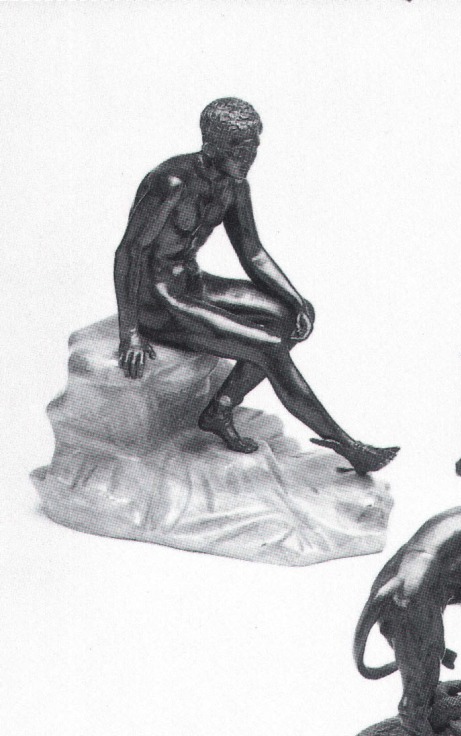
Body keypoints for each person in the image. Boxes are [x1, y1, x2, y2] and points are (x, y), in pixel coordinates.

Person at [113, 97, 397, 474]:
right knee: (270, 347)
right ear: (210, 145)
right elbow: (129, 251)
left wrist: (296, 299)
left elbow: (253, 253)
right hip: (157, 299)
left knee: (288, 316)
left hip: (191, 283)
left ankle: (220, 409)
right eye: (238, 148)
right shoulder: (171, 182)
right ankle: (348, 446)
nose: (247, 157)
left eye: (253, 147)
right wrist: (130, 331)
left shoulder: (234, 186)